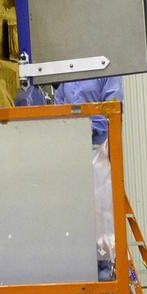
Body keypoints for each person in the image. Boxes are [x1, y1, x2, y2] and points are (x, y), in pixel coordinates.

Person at [53, 77, 123, 276]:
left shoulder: (106, 71)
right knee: (71, 209)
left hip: (98, 151)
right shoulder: (66, 74)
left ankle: (103, 268)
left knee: (100, 213)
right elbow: (57, 108)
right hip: (70, 151)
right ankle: (74, 264)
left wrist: (87, 127)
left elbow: (112, 108)